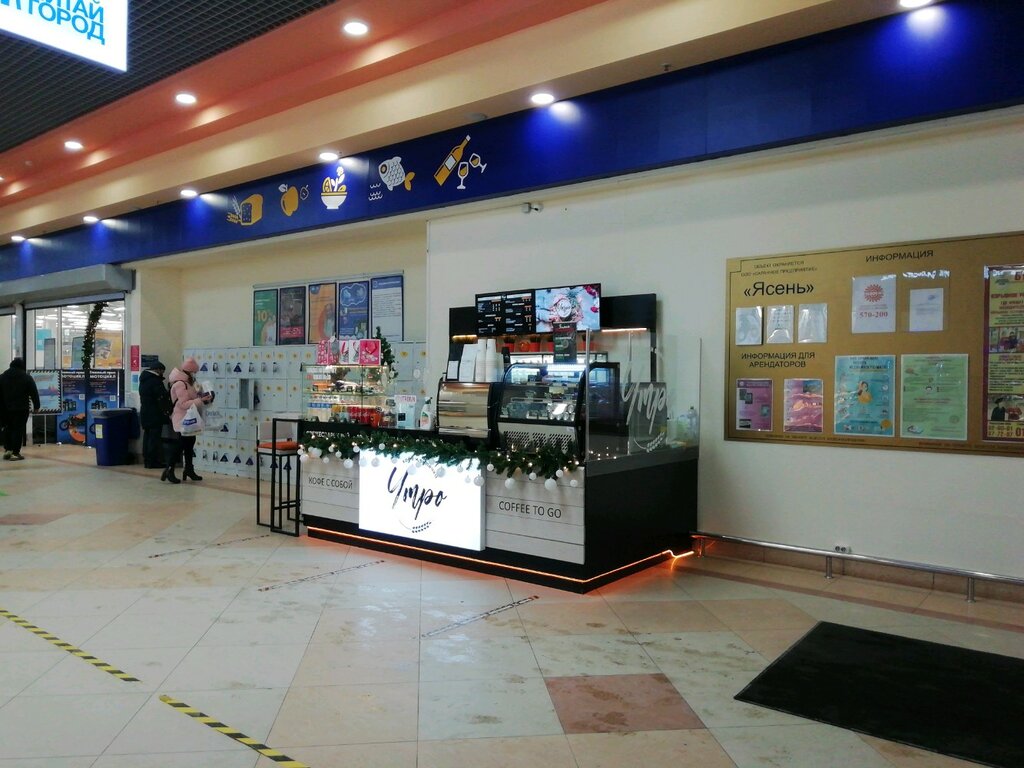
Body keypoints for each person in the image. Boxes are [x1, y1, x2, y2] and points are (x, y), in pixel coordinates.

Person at [164, 357, 212, 483]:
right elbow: (183, 404)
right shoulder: (180, 384)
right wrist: (200, 400)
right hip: (182, 419)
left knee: (190, 444)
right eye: (194, 372)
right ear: (189, 371)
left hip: (191, 418)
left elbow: (195, 397)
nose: (195, 374)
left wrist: (205, 397)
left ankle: (189, 469)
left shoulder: (190, 383)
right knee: (180, 445)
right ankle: (169, 469)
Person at [0, 357, 41, 462]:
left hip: (5, 409)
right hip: (21, 409)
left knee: (7, 428)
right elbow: (34, 392)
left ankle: (8, 450)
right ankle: (15, 453)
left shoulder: (2, 377)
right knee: (18, 430)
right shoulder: (26, 377)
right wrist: (36, 406)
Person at [138, 361, 172, 469]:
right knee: (154, 438)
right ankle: (153, 461)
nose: (162, 374)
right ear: (158, 370)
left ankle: (147, 460)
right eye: (162, 371)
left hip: (145, 412)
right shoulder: (155, 381)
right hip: (154, 413)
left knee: (147, 437)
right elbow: (161, 396)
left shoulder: (144, 379)